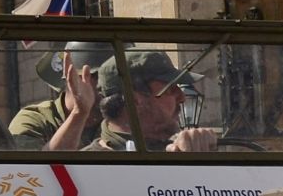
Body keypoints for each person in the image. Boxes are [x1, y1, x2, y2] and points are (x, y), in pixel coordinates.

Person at [85, 52, 217, 152]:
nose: (182, 97)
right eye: (169, 90)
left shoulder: (181, 149)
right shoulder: (88, 168)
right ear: (134, 100)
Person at [10, 43, 108, 151]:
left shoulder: (117, 117)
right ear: (74, 78)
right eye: (101, 77)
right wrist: (80, 112)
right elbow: (37, 166)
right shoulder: (35, 120)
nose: (114, 85)